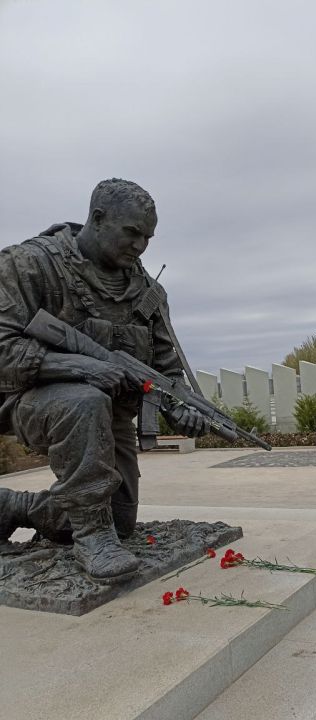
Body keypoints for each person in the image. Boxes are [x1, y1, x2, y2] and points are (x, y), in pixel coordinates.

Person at [0, 179, 208, 583]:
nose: (140, 245)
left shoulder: (148, 292)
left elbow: (167, 370)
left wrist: (180, 410)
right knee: (84, 399)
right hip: (26, 399)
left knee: (121, 520)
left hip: (109, 419)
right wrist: (81, 367)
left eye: (147, 236)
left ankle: (14, 507)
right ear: (97, 219)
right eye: (132, 232)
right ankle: (92, 538)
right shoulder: (28, 265)